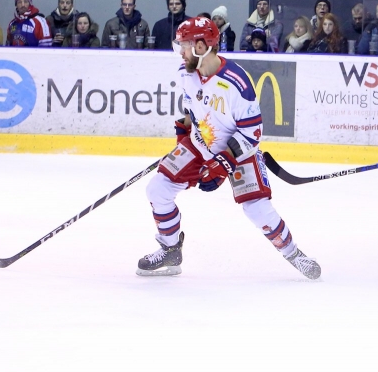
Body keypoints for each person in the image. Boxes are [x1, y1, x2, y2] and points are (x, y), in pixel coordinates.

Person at [137, 16, 320, 279]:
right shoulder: (185, 71)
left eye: (184, 46)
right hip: (200, 143)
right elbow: (192, 108)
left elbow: (252, 133)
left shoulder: (236, 82)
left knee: (256, 208)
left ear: (201, 47)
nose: (181, 52)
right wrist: (183, 132)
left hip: (239, 150)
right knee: (158, 189)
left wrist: (223, 163)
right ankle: (170, 250)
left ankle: (294, 254)